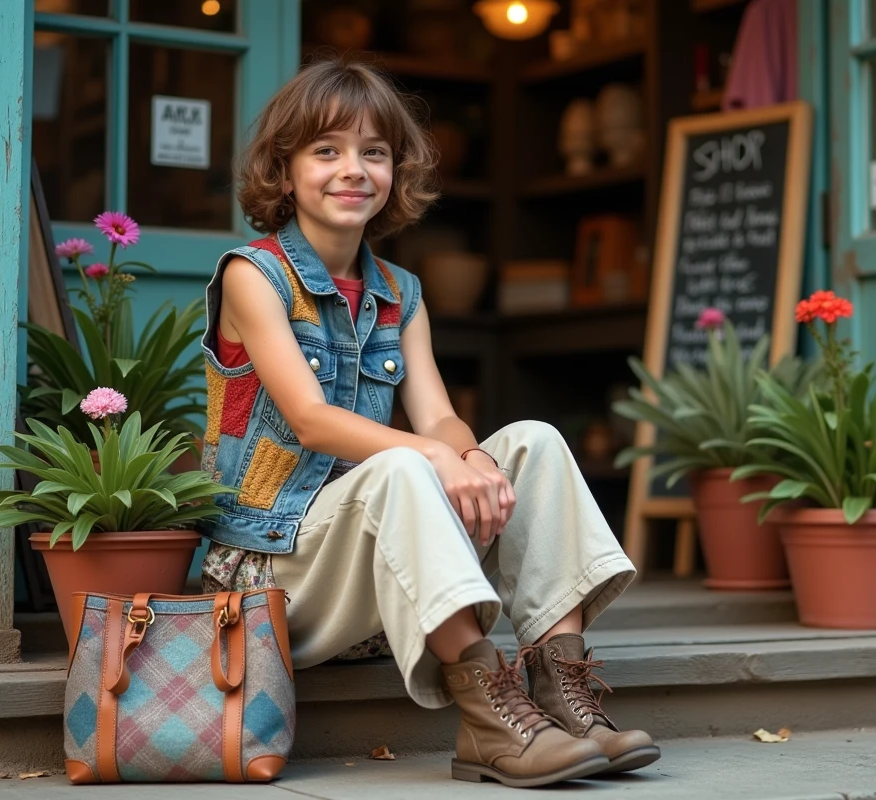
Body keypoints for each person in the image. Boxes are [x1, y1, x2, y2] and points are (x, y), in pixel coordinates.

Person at [198, 55, 658, 788]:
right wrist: (435, 459)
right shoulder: (255, 277)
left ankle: (560, 691)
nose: (353, 169)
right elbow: (312, 420)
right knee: (408, 464)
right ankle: (488, 716)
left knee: (532, 442)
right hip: (275, 577)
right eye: (327, 151)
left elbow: (439, 416)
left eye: (373, 152)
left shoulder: (398, 291)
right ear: (284, 173)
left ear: (395, 174)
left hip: (382, 585)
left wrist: (470, 458)